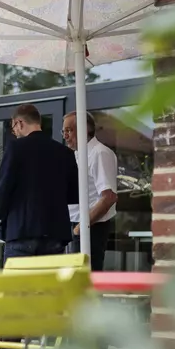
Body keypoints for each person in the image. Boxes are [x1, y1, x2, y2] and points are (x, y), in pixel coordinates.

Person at [0, 104, 78, 349]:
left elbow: (3, 189)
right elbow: (74, 193)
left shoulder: (16, 148)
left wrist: (2, 217)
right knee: (50, 297)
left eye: (13, 126)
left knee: (13, 299)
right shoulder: (64, 152)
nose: (13, 132)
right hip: (54, 232)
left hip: (21, 231)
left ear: (19, 123)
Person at [62, 111, 117, 271]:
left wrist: (81, 227)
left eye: (69, 130)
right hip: (76, 226)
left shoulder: (100, 153)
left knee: (85, 283)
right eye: (64, 131)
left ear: (84, 129)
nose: (65, 135)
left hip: (90, 228)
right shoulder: (78, 154)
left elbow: (109, 197)